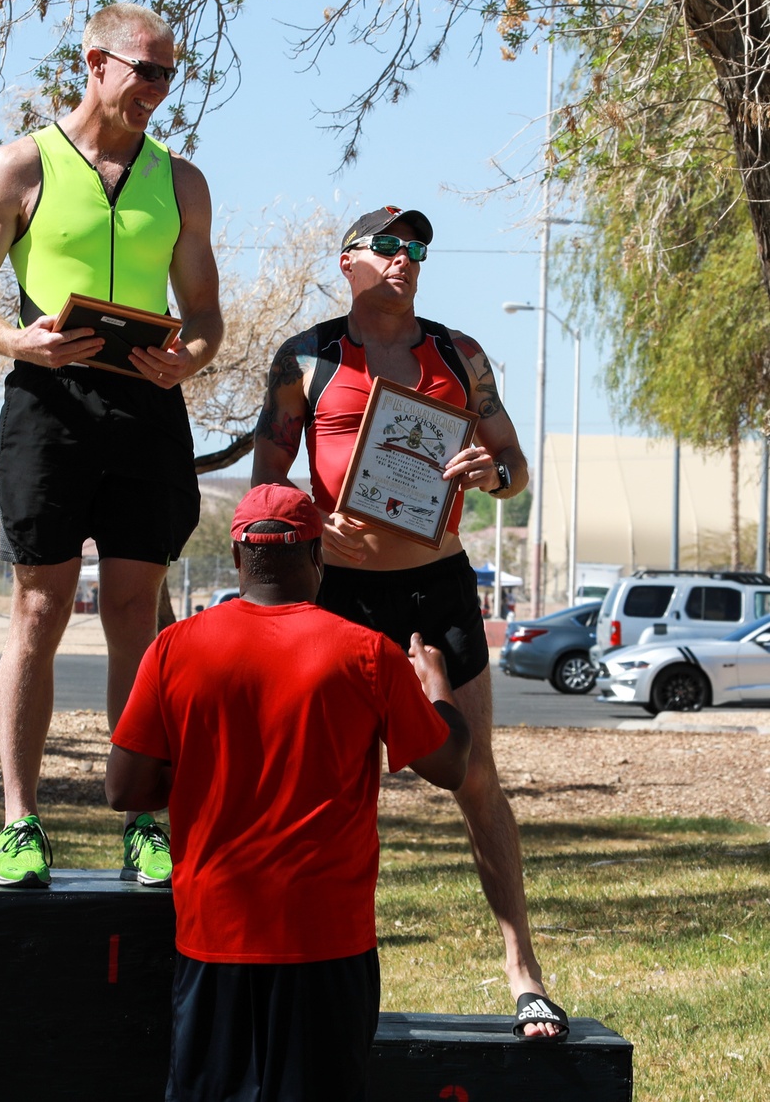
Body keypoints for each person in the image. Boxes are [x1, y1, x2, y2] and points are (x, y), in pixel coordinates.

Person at [251, 205, 569, 1041]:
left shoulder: (460, 356)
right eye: (388, 246)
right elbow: (266, 485)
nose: (406, 259)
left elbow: (515, 467)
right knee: (329, 786)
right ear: (349, 262)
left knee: (475, 778)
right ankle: (303, 969)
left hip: (439, 588)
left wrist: (488, 470)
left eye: (417, 248)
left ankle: (524, 973)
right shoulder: (307, 359)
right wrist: (316, 522)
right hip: (340, 599)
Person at [0, 2, 222, 889]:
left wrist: (191, 361)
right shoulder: (22, 164)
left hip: (145, 408)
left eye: (171, 76)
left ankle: (143, 818)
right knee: (38, 610)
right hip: (48, 402)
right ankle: (19, 820)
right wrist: (18, 341)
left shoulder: (181, 183)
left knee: (140, 613)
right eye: (148, 72)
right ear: (95, 63)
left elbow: (207, 316)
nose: (159, 91)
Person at [106, 484, 471, 1101]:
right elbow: (450, 765)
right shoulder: (368, 655)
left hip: (212, 939)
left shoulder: (173, 649)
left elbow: (125, 788)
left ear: (235, 559)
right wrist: (438, 689)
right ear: (317, 557)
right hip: (326, 945)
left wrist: (207, 766)